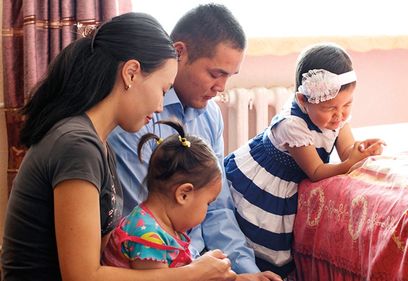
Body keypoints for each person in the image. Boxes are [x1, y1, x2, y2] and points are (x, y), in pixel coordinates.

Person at [1, 12, 235, 281]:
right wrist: (192, 274)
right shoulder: (77, 145)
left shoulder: (97, 144)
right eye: (162, 89)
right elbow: (82, 276)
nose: (160, 106)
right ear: (131, 73)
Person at [108, 4, 281, 281]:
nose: (222, 87)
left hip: (201, 266)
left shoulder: (210, 116)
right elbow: (143, 219)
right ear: (179, 52)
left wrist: (245, 273)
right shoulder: (136, 118)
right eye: (215, 74)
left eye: (229, 76)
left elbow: (218, 208)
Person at [224, 43, 386, 277]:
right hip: (267, 181)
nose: (339, 115)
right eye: (330, 108)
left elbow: (348, 150)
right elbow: (316, 171)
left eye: (347, 104)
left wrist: (361, 150)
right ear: (302, 100)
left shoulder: (336, 116)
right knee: (263, 243)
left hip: (293, 176)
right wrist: (349, 164)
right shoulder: (293, 125)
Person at [102, 120, 224, 270]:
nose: (207, 210)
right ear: (183, 194)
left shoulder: (164, 226)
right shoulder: (148, 236)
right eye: (208, 203)